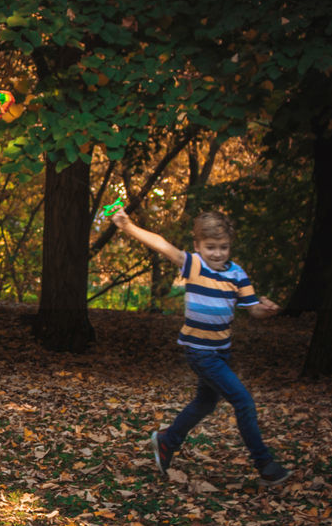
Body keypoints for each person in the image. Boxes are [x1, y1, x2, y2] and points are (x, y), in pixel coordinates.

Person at [111, 208, 291, 486]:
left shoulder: (237, 274)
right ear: (197, 246)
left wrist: (266, 309)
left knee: (205, 403)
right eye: (210, 247)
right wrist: (128, 226)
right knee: (243, 401)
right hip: (200, 352)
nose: (217, 253)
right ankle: (265, 464)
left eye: (223, 247)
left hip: (221, 351)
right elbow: (162, 244)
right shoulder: (194, 265)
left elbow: (253, 309)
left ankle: (167, 441)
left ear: (230, 246)